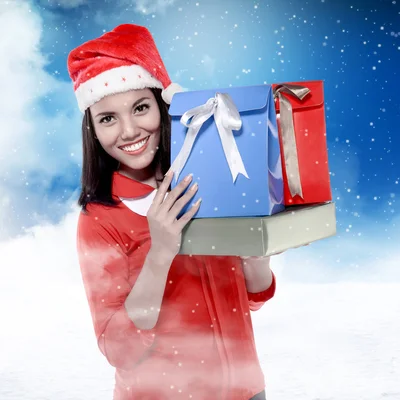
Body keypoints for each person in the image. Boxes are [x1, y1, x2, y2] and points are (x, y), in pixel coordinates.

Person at [69, 24, 276, 400]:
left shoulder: (208, 181)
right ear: (93, 130)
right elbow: (118, 348)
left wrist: (255, 255)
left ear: (163, 107)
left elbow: (253, 297)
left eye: (141, 108)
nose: (130, 130)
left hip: (247, 390)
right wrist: (160, 253)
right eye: (108, 118)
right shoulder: (99, 220)